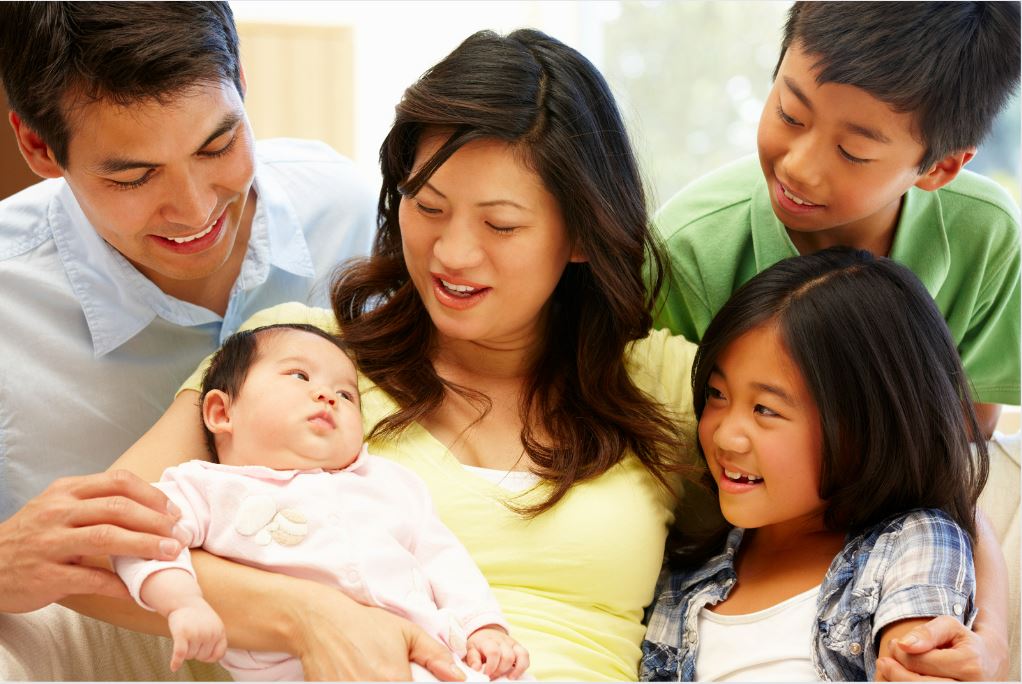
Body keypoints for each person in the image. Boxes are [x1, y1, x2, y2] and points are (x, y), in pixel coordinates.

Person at [65, 28, 1003, 682]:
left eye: (501, 224)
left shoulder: (671, 387)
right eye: (428, 210)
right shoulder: (302, 361)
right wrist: (312, 617)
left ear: (583, 236)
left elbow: (923, 484)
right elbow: (96, 548)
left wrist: (986, 649)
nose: (452, 254)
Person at [0, 1, 374, 614]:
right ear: (39, 148)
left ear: (242, 84)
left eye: (218, 145)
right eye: (133, 178)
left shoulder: (348, 215)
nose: (196, 210)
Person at [652, 1, 1021, 440]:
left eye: (853, 153)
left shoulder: (984, 235)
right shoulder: (687, 248)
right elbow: (662, 441)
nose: (798, 168)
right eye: (790, 114)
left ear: (937, 168)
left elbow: (968, 422)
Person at [641, 247, 989, 681]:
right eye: (717, 394)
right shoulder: (682, 579)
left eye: (766, 409)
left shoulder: (912, 544)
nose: (725, 435)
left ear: (863, 427)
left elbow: (917, 651)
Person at [112, 323, 529, 681]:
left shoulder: (387, 483)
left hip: (440, 659)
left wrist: (484, 627)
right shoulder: (204, 488)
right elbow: (142, 540)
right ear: (222, 412)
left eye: (347, 395)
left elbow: (442, 558)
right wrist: (182, 601)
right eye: (299, 376)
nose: (328, 396)